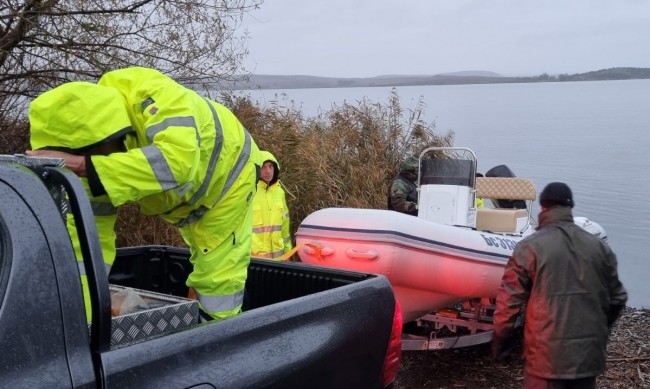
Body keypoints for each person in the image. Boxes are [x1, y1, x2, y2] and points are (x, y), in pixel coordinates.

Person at [26, 66, 260, 322]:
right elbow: (85, 250)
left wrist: (84, 165)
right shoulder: (93, 153)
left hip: (230, 180)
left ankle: (223, 340)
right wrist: (81, 325)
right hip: (185, 202)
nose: (96, 162)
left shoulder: (154, 94)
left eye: (93, 157)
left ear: (108, 135)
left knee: (218, 280)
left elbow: (177, 164)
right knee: (203, 265)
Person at [492, 182, 628, 389]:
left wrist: (501, 343)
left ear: (542, 208)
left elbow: (508, 302)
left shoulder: (529, 247)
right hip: (587, 359)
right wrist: (600, 330)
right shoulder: (599, 247)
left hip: (545, 361)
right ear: (570, 207)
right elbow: (618, 298)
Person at [251, 150, 293, 260]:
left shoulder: (280, 192)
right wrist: (255, 247)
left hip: (279, 259)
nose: (268, 171)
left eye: (270, 166)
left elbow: (284, 225)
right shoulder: (249, 191)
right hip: (254, 260)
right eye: (263, 167)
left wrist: (288, 253)